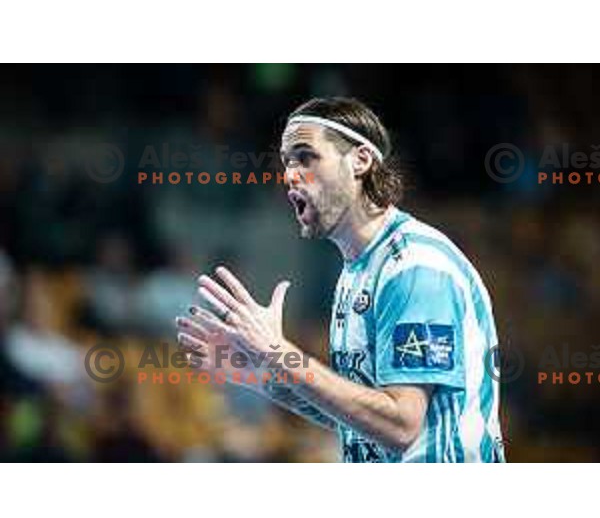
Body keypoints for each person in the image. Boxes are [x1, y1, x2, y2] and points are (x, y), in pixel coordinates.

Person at [176, 96, 505, 463]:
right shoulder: (354, 273)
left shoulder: (415, 265)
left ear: (360, 160)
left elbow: (400, 425)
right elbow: (356, 418)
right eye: (286, 162)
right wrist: (262, 374)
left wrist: (278, 353)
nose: (290, 174)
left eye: (305, 156)